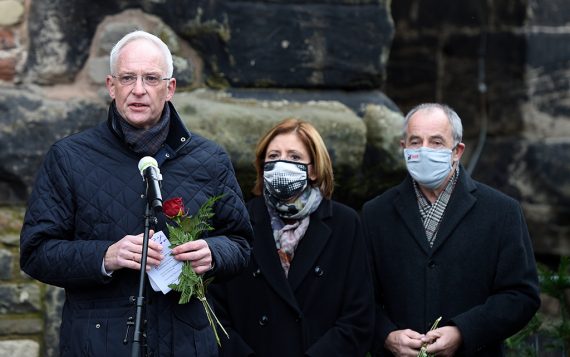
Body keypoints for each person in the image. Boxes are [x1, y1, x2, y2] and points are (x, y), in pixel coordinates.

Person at [19, 30, 253, 357]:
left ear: (170, 88)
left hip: (184, 342)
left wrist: (213, 252)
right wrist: (105, 256)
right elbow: (36, 252)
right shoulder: (69, 157)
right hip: (98, 343)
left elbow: (241, 244)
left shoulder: (210, 159)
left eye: (151, 78)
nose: (139, 90)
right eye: (128, 78)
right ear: (111, 86)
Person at [362, 103, 540, 357]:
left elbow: (521, 295)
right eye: (415, 141)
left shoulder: (501, 212)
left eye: (436, 142)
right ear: (403, 148)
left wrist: (463, 332)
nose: (423, 150)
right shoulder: (376, 213)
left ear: (456, 151)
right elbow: (358, 295)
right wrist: (386, 336)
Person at [210, 118, 374, 356]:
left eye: (295, 157)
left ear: (315, 169)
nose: (282, 164)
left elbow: (358, 316)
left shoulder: (345, 224)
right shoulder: (238, 220)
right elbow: (215, 312)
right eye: (274, 156)